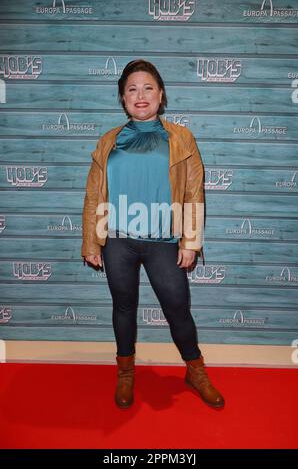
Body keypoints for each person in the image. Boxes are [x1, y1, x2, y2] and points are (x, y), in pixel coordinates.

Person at [81, 59, 224, 409]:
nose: (140, 95)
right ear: (123, 98)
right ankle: (126, 374)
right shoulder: (108, 141)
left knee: (177, 307)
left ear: (161, 94)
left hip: (163, 239)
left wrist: (190, 241)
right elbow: (94, 192)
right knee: (124, 306)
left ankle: (196, 370)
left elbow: (194, 191)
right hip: (118, 239)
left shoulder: (181, 137)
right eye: (132, 89)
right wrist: (91, 240)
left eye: (147, 88)